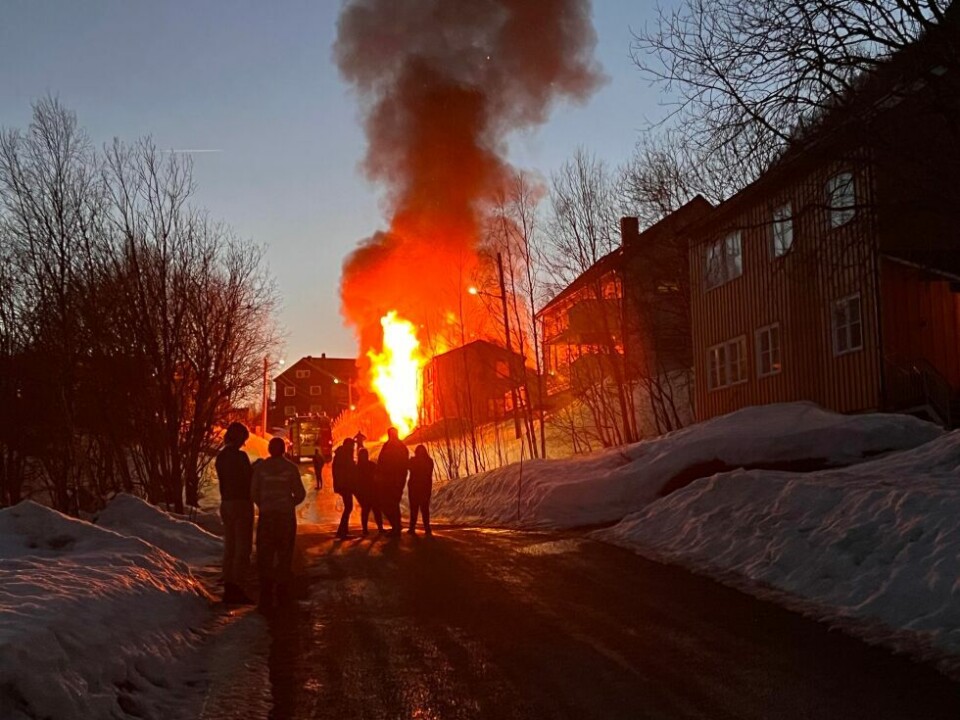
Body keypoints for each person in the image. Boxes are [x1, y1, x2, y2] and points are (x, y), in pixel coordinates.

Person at [251, 437, 306, 611]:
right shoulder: (291, 468)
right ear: (283, 450)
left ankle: (265, 594)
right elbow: (300, 493)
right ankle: (283, 592)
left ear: (269, 449)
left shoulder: (260, 469)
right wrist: (288, 504)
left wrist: (264, 504)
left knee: (265, 554)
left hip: (267, 517)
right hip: (285, 517)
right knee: (284, 553)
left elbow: (253, 492)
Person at [215, 422, 255, 604]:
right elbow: (248, 478)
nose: (244, 444)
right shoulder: (240, 457)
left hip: (226, 503)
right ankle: (237, 586)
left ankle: (229, 583)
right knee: (242, 546)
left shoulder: (221, 457)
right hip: (241, 503)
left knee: (230, 546)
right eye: (244, 439)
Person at [376, 427, 409, 536]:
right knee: (390, 504)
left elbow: (403, 465)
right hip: (388, 480)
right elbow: (381, 462)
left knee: (391, 503)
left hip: (394, 480)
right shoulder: (393, 446)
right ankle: (396, 525)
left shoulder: (399, 447)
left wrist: (399, 480)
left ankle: (396, 527)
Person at [331, 437, 357, 539]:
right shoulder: (344, 455)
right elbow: (346, 471)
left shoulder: (341, 454)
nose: (354, 448)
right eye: (352, 446)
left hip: (343, 485)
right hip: (345, 485)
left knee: (348, 507)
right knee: (348, 507)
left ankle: (343, 531)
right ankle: (342, 531)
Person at [407, 444, 435, 536]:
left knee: (416, 508)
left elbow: (408, 467)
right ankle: (426, 528)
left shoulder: (414, 461)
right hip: (423, 487)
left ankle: (413, 527)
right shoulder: (429, 461)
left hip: (417, 487)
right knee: (423, 508)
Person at [355, 448, 383, 535]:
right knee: (375, 510)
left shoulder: (357, 468)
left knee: (366, 511)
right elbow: (378, 476)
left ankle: (365, 529)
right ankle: (380, 528)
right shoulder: (371, 465)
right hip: (371, 491)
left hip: (365, 492)